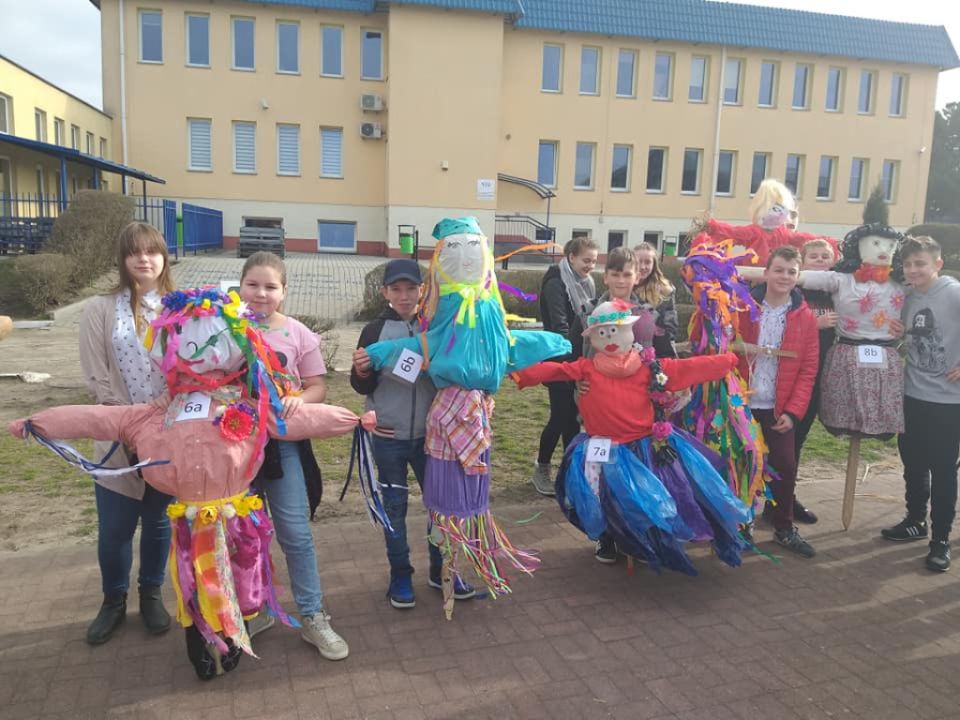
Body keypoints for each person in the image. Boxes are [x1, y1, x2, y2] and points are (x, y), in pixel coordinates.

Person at [514, 299, 749, 574]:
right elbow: (556, 370)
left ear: (629, 332)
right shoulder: (586, 368)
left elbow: (686, 368)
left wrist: (726, 360)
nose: (609, 339)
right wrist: (518, 373)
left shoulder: (650, 367)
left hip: (643, 445)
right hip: (602, 445)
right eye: (602, 333)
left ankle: (645, 540)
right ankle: (607, 538)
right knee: (600, 495)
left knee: (649, 496)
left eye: (614, 331)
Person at [237, 251, 349, 660]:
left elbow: (317, 385)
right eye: (253, 285)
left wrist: (300, 398)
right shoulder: (224, 328)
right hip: (235, 449)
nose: (261, 293)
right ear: (240, 286)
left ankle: (313, 616)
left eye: (270, 287)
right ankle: (257, 609)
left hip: (283, 449)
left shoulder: (298, 333)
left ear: (283, 291)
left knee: (296, 535)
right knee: (245, 536)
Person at [351, 259, 475, 608]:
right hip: (388, 437)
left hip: (432, 438)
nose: (404, 296)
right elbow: (361, 386)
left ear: (423, 290)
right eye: (396, 289)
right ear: (385, 292)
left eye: (411, 288)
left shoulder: (435, 326)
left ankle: (440, 570)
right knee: (395, 509)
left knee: (440, 508)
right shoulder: (374, 330)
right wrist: (362, 371)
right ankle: (400, 575)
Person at [78, 221, 175, 645]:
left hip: (167, 434)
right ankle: (113, 600)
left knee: (158, 521)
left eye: (151, 251)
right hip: (117, 435)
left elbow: (192, 367)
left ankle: (151, 593)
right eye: (134, 251)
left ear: (163, 257)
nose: (143, 259)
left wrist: (164, 409)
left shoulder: (179, 309)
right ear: (123, 259)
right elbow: (95, 374)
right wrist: (126, 421)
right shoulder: (100, 309)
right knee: (115, 527)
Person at [881, 236, 960, 572]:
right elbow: (908, 340)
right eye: (908, 264)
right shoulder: (908, 296)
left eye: (920, 264)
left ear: (937, 264)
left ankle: (940, 539)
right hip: (912, 394)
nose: (913, 270)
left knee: (943, 469)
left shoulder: (953, 293)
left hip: (949, 401)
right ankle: (915, 520)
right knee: (913, 463)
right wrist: (899, 334)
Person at [736, 246, 820, 558]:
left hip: (778, 407)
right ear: (766, 272)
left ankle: (783, 527)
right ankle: (741, 523)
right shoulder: (743, 307)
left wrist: (794, 412)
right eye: (779, 270)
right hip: (743, 404)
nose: (784, 276)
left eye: (791, 272)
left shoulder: (805, 317)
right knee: (742, 464)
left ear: (798, 277)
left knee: (784, 465)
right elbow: (725, 349)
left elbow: (808, 369)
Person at [778, 238, 838, 525]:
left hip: (818, 377)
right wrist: (816, 323)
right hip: (791, 376)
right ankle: (776, 499)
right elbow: (781, 322)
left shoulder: (838, 290)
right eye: (813, 256)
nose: (820, 260)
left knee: (798, 440)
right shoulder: (795, 290)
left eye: (825, 256)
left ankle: (786, 497)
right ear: (803, 262)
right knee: (783, 441)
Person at [533, 237, 599, 496]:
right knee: (560, 416)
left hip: (580, 358)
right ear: (571, 257)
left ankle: (570, 471)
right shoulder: (555, 283)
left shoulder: (587, 282)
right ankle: (542, 467)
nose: (590, 266)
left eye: (594, 261)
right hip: (560, 359)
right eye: (586, 260)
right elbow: (559, 324)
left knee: (573, 419)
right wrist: (571, 359)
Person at [632, 242, 679, 358]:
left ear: (654, 265)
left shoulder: (664, 290)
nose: (642, 267)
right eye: (638, 262)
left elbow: (670, 326)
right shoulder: (624, 286)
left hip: (656, 351)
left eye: (647, 262)